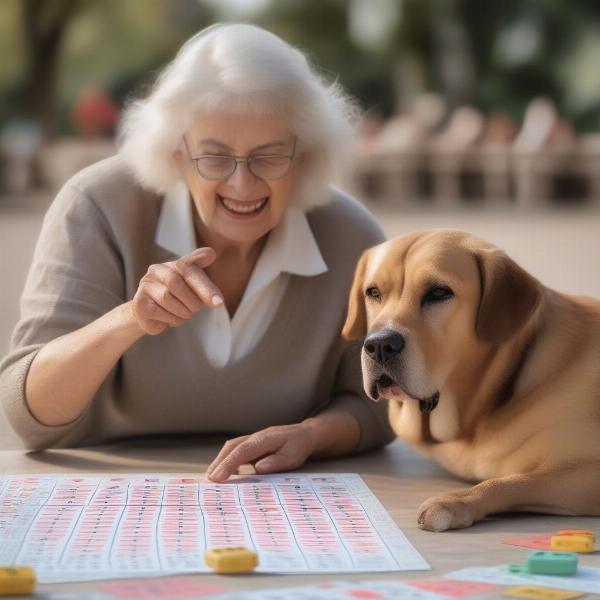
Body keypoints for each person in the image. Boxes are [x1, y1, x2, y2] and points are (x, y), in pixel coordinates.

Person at [0, 23, 393, 481]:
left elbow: (383, 402)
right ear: (175, 153)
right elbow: (26, 412)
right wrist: (131, 319)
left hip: (275, 491)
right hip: (109, 488)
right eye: (215, 156)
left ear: (304, 154)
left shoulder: (352, 236)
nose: (242, 185)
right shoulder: (96, 207)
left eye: (269, 155)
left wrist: (311, 435)